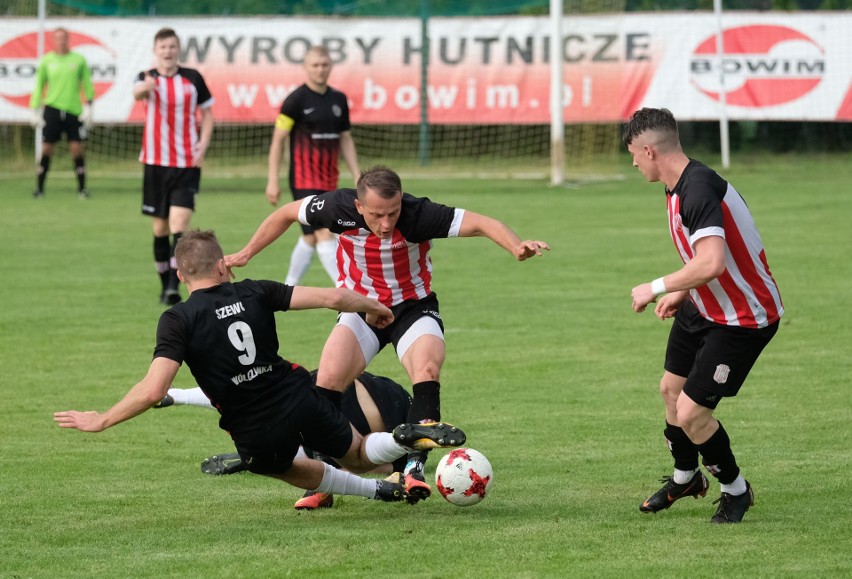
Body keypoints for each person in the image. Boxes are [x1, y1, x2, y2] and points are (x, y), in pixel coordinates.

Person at [53, 230, 467, 507]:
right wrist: (374, 306)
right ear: (222, 265)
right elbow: (331, 297)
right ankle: (403, 438)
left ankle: (377, 491)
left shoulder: (177, 319)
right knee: (359, 452)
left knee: (278, 466)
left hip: (252, 424)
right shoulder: (256, 290)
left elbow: (151, 389)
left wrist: (103, 420)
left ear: (180, 275)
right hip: (297, 394)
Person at [225, 164, 548, 494]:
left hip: (412, 307)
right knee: (327, 381)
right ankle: (323, 478)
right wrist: (248, 252)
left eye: (392, 213)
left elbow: (480, 223)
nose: (386, 223)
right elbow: (288, 212)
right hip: (361, 308)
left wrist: (515, 246)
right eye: (377, 215)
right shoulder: (337, 207)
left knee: (427, 368)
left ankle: (413, 468)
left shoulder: (418, 214)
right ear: (359, 206)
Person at [623, 107, 783, 524]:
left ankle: (736, 490)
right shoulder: (677, 186)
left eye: (634, 156)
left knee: (693, 412)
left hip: (744, 316)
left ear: (648, 150)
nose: (634, 163)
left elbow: (711, 261)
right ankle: (686, 477)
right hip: (705, 305)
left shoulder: (697, 189)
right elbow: (706, 261)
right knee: (671, 391)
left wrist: (658, 286)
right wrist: (683, 291)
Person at [157, 370, 413, 510]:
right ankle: (267, 457)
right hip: (367, 410)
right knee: (356, 459)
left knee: (260, 405)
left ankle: (263, 456)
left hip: (337, 396)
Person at [133, 28, 215, 306]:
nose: (167, 51)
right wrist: (145, 88)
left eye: (172, 46)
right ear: (156, 50)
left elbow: (208, 113)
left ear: (178, 49)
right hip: (156, 164)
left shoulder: (193, 77)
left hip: (186, 163)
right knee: (160, 229)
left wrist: (203, 144)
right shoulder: (147, 77)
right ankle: (164, 284)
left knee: (180, 224)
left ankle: (172, 286)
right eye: (163, 47)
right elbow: (137, 93)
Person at [266, 45, 360, 287]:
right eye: (315, 65)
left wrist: (357, 174)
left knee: (309, 238)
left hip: (329, 179)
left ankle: (288, 287)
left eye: (324, 65)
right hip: (303, 180)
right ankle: (346, 288)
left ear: (331, 67)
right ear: (305, 68)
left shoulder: (339, 99)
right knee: (323, 233)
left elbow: (346, 138)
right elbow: (278, 140)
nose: (320, 70)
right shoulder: (295, 100)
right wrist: (273, 180)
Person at [29, 27, 95, 200]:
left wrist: (89, 106)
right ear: (53, 40)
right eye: (57, 38)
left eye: (64, 38)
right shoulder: (46, 61)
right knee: (47, 148)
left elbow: (87, 83)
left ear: (68, 39)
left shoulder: (78, 60)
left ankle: (82, 189)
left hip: (74, 111)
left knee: (76, 149)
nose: (61, 41)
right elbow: (39, 86)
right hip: (52, 109)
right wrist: (34, 109)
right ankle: (40, 188)